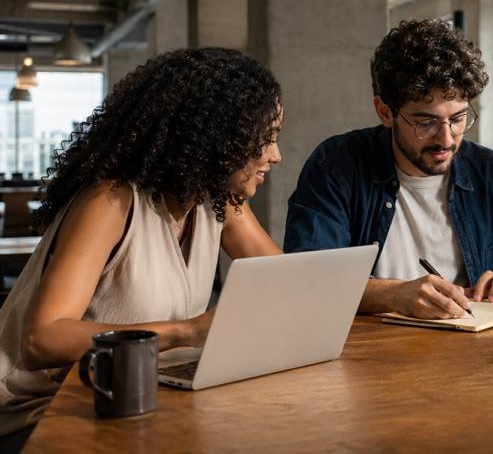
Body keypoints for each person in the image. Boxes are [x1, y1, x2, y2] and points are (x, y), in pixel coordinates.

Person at [0, 48, 283, 446]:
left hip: (125, 399)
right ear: (214, 137)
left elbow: (287, 284)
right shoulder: (110, 202)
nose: (275, 155)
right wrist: (188, 331)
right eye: (263, 139)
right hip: (36, 413)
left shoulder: (217, 201)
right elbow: (42, 340)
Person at [284, 19, 493, 319]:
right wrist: (391, 295)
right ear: (385, 112)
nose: (446, 139)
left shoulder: (492, 173)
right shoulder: (336, 165)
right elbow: (308, 277)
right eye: (426, 122)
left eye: (459, 118)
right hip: (366, 352)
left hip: (473, 348)